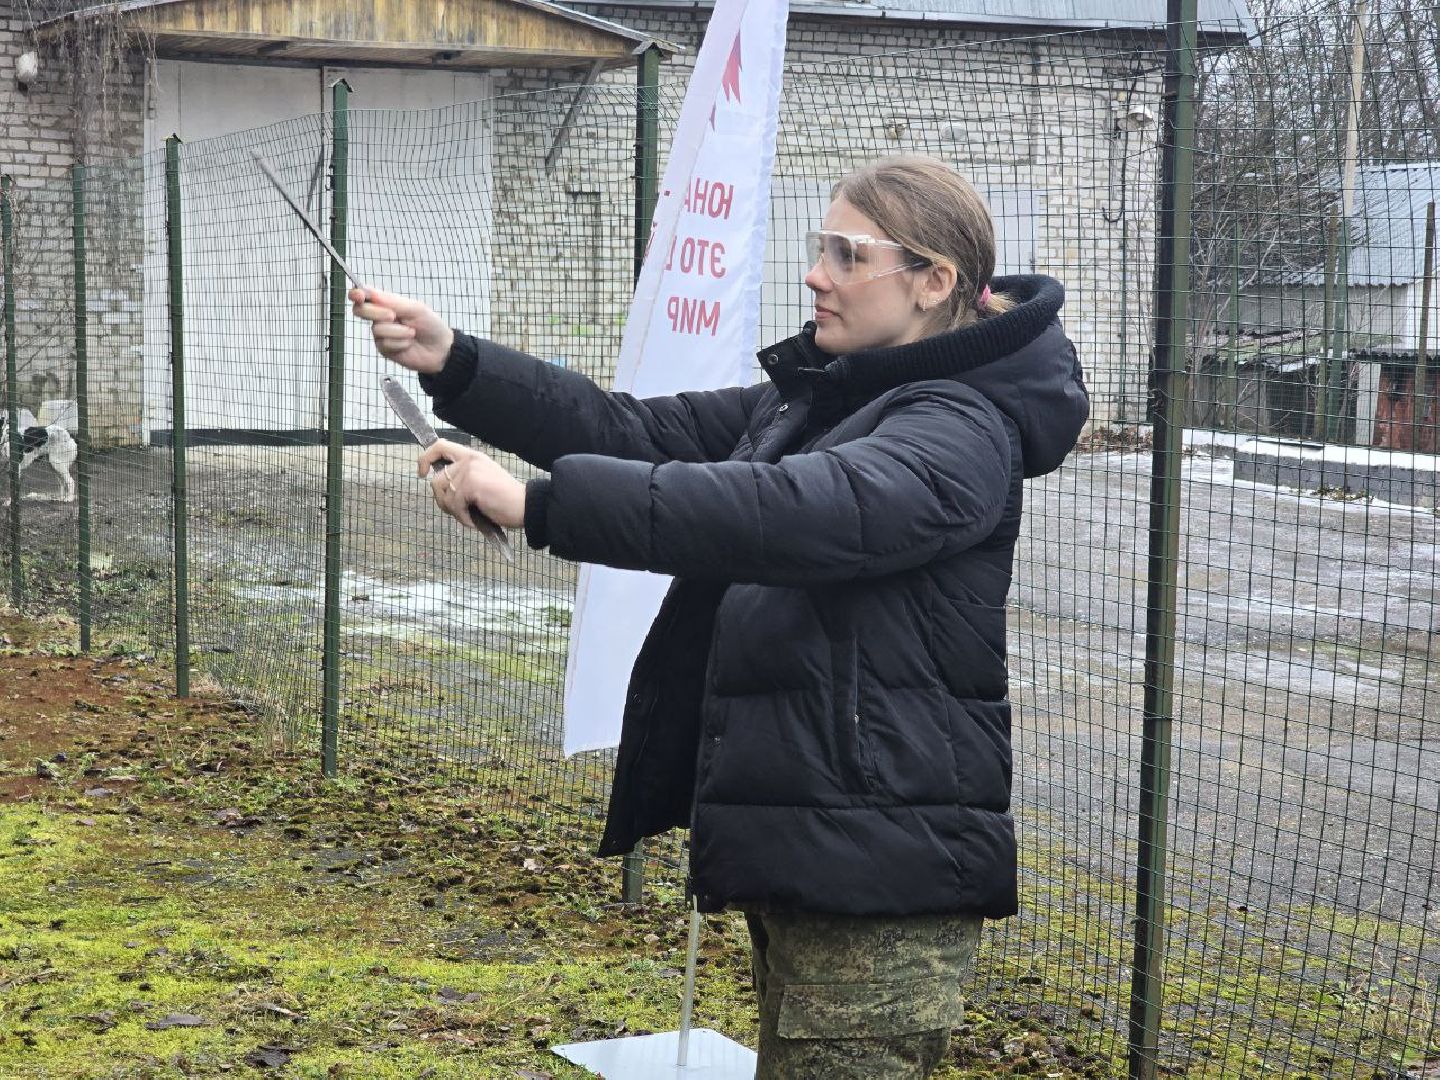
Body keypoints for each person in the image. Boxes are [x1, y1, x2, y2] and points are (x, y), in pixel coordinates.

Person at [351, 154, 1089, 1079]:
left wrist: (540, 508)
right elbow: (633, 433)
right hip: (820, 842)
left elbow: (790, 511)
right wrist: (456, 360)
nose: (816, 273)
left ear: (934, 280)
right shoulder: (834, 397)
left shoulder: (960, 428)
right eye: (822, 247)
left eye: (847, 254)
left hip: (879, 872)